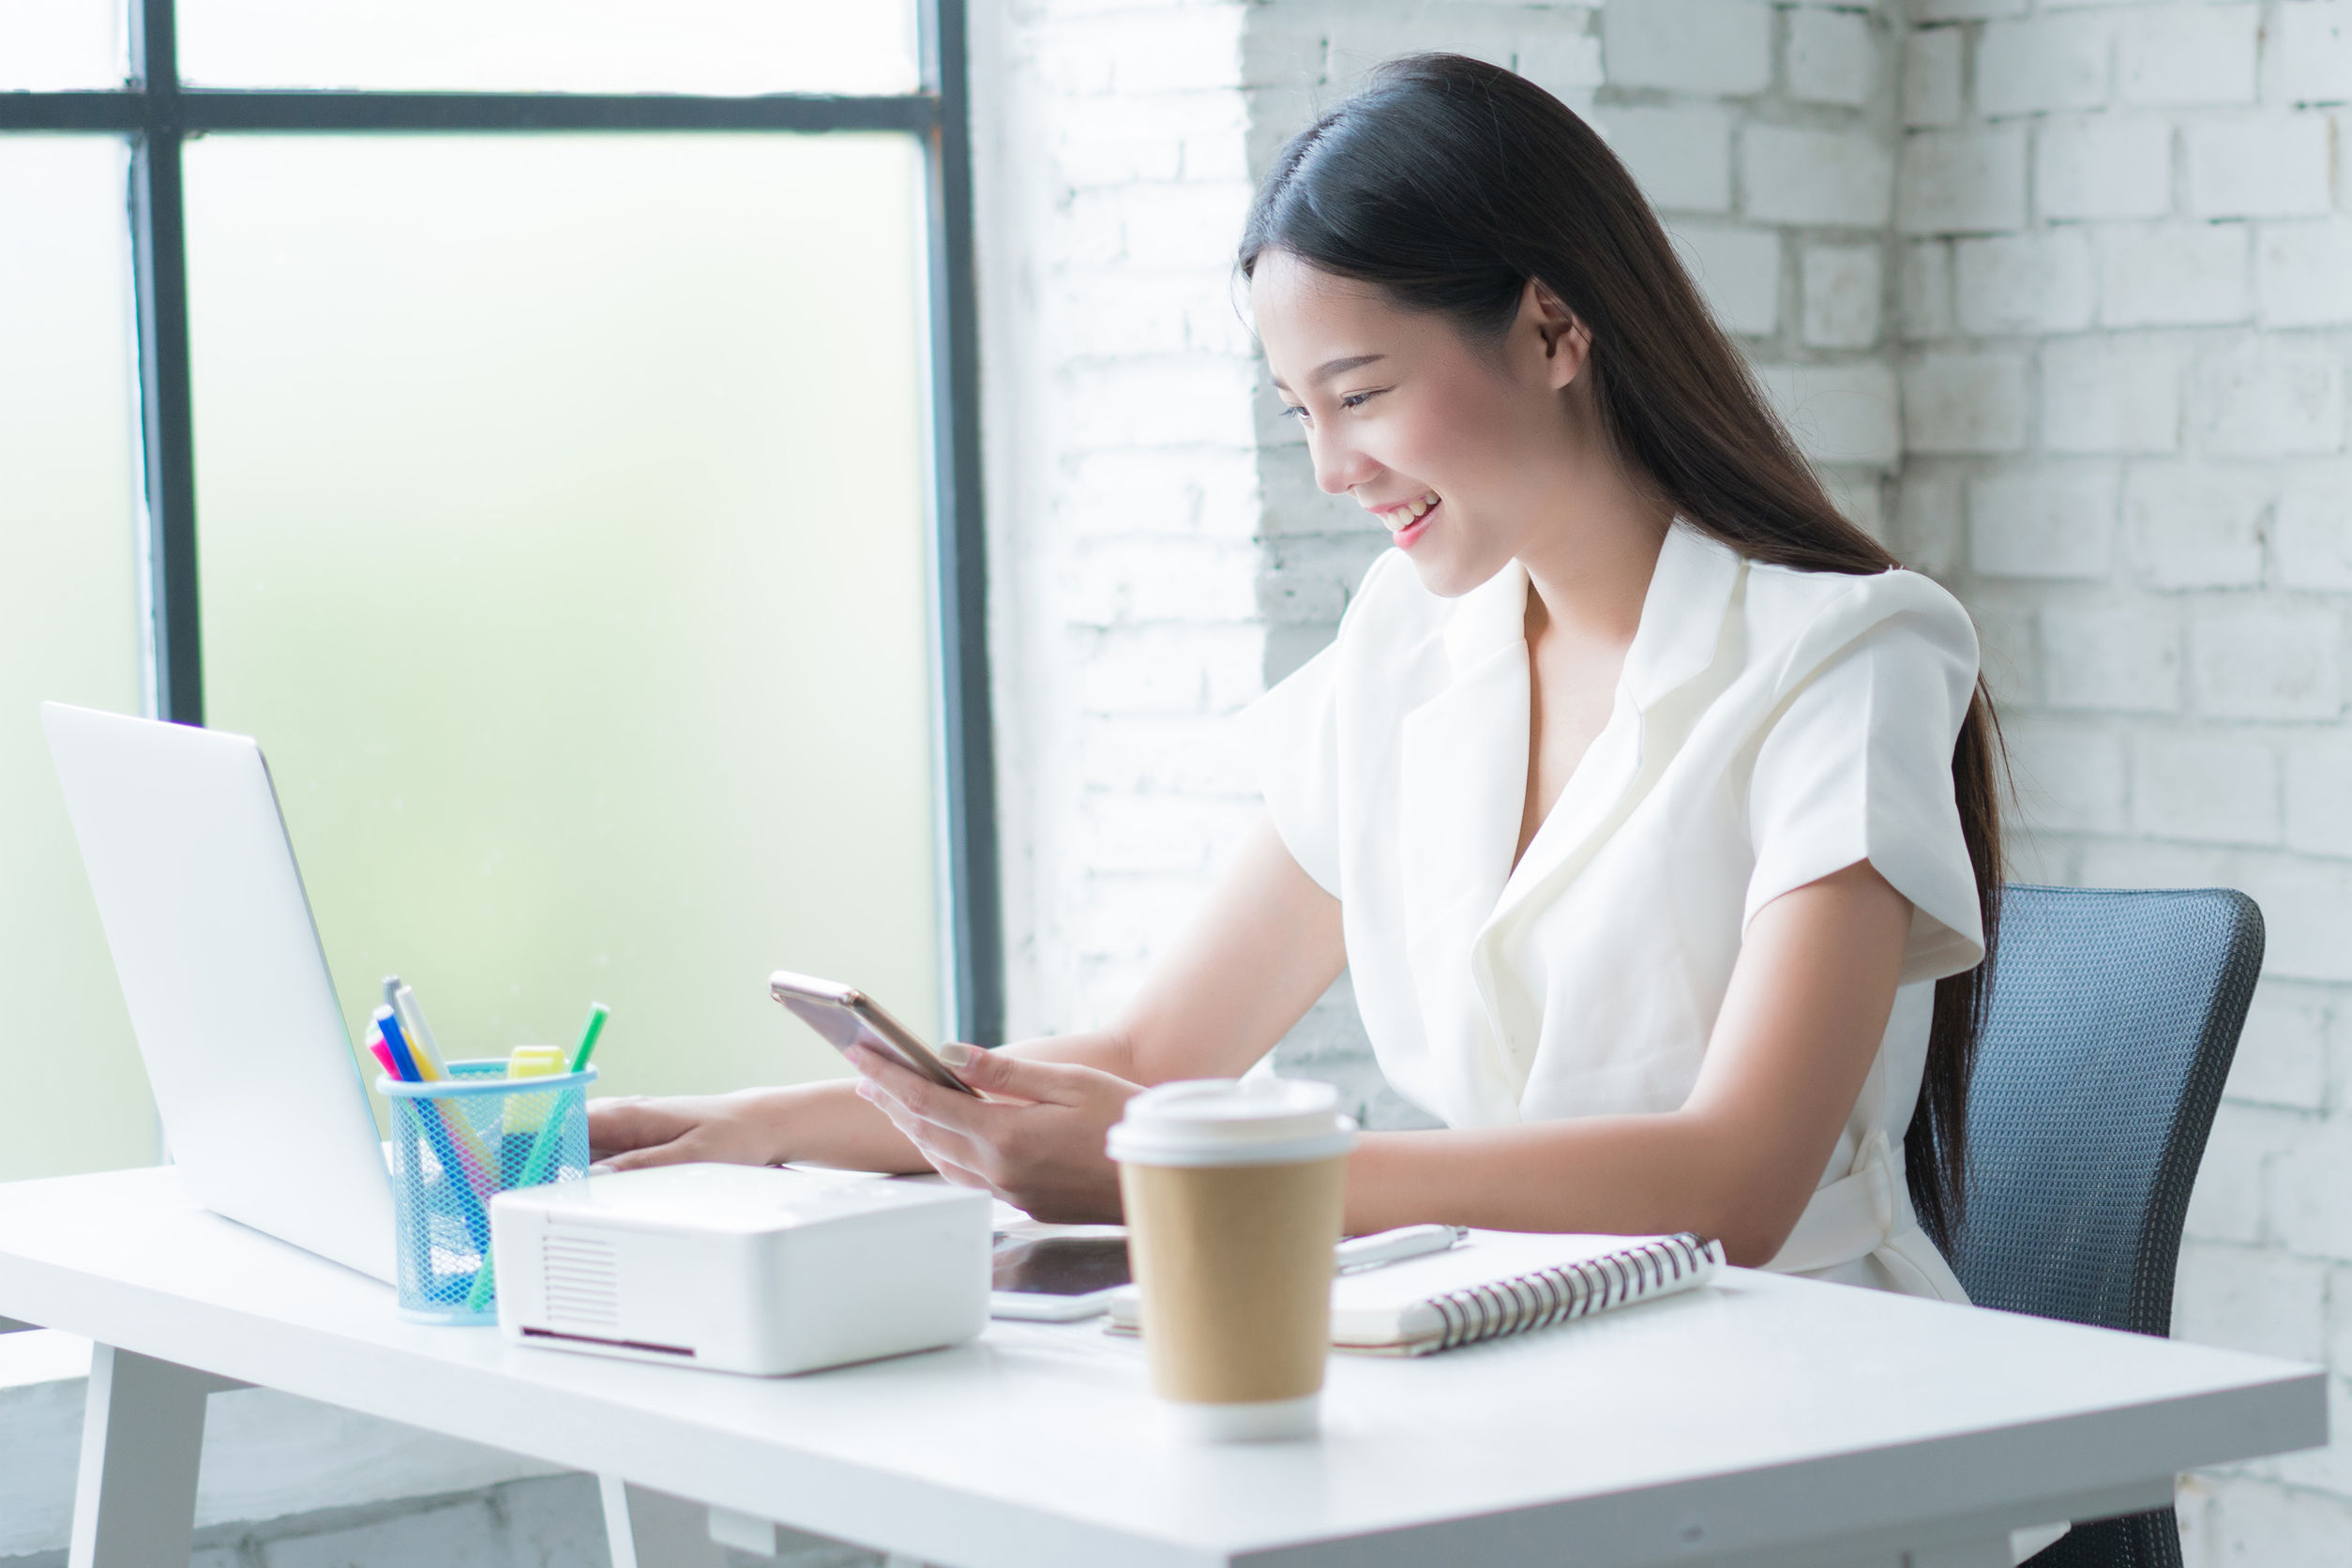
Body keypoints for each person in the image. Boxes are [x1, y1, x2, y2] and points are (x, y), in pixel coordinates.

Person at [587, 53, 2005, 1303]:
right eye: (1300, 412)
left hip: (1806, 1389)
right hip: (1518, 1343)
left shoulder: (1848, 654)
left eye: (1364, 392)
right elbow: (1155, 1054)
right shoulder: (1409, 647)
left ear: (1555, 332)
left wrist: (1186, 1178)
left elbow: (1733, 1186)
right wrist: (731, 1124)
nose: (1333, 470)